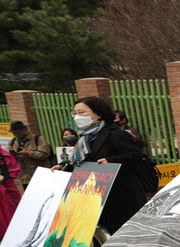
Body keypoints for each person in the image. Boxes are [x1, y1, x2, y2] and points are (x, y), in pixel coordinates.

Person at [54, 97, 147, 234]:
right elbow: (81, 161)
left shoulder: (116, 134)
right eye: (75, 113)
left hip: (121, 198)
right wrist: (63, 166)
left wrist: (110, 161)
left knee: (126, 238)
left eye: (82, 112)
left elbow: (135, 156)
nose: (77, 117)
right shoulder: (84, 139)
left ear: (98, 114)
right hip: (96, 199)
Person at [7, 121, 52, 190]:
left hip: (40, 175)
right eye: (14, 133)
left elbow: (44, 154)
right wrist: (12, 154)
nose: (17, 134)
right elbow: (7, 154)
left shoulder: (38, 139)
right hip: (24, 177)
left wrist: (27, 153)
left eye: (19, 132)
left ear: (26, 130)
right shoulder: (13, 141)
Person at [0, 140, 22, 238]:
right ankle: (5, 234)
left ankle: (17, 230)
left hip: (8, 188)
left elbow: (14, 169)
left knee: (14, 209)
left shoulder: (4, 156)